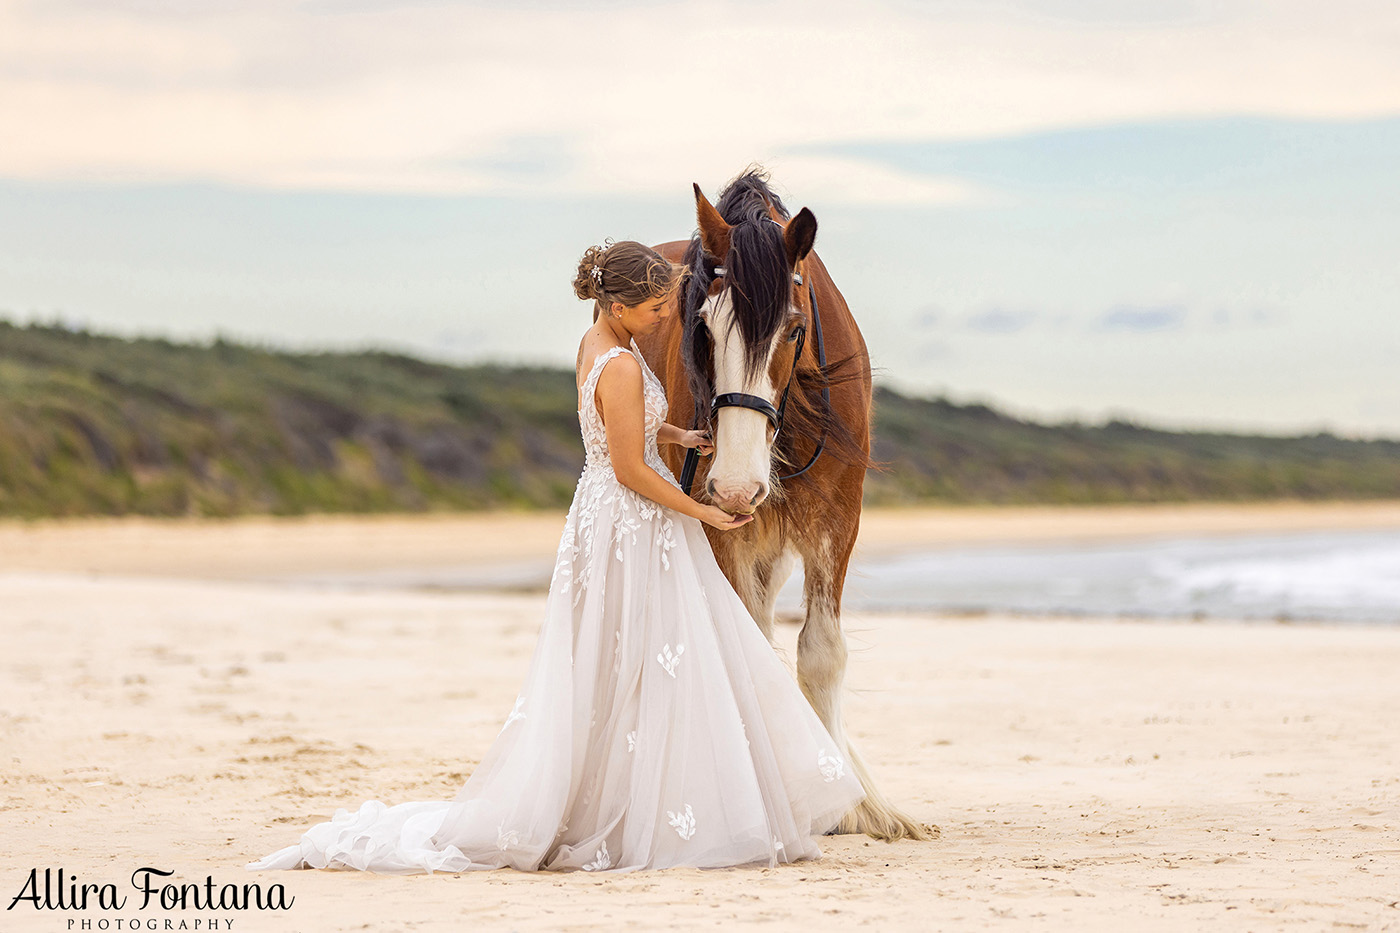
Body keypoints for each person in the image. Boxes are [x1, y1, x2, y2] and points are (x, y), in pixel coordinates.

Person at [244, 240, 866, 875]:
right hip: (631, 514)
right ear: (619, 306)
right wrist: (701, 510)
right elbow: (627, 468)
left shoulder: (599, 348)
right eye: (654, 308)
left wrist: (675, 434)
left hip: (609, 516)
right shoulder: (622, 366)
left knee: (629, 657)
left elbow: (622, 427)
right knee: (656, 654)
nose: (663, 319)